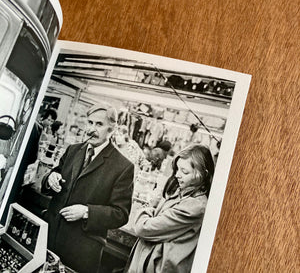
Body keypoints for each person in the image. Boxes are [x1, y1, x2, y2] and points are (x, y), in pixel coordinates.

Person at [41, 103, 134, 273]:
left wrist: (86, 212)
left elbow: (121, 214)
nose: (92, 129)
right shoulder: (73, 150)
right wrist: (50, 179)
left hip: (80, 250)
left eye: (99, 125)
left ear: (112, 129)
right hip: (49, 237)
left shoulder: (123, 166)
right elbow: (55, 176)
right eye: (90, 123)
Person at [125, 144, 214, 273]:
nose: (177, 175)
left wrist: (147, 209)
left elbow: (143, 228)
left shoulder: (196, 207)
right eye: (177, 169)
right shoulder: (180, 192)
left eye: (185, 172)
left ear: (202, 174)